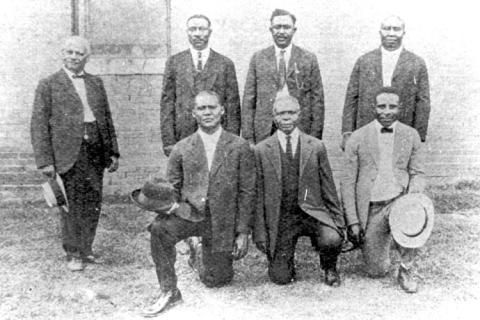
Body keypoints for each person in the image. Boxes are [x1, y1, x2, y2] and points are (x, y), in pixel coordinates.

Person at [142, 90, 255, 317]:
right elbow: (171, 189)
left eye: (212, 107)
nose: (207, 112)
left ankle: (199, 251)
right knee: (159, 229)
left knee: (216, 279)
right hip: (190, 216)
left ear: (222, 110)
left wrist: (242, 232)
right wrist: (171, 209)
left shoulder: (240, 146)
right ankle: (169, 290)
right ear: (194, 113)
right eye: (201, 108)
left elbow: (247, 191)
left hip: (222, 222)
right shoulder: (181, 147)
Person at [30, 36, 120, 271]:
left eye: (79, 53)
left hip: (95, 150)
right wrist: (45, 161)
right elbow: (38, 125)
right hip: (67, 153)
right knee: (70, 203)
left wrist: (112, 151)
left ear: (86, 58)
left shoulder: (95, 82)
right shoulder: (48, 84)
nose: (73, 57)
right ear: (62, 54)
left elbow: (106, 118)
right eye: (69, 52)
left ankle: (87, 249)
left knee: (93, 201)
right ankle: (73, 253)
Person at [253, 93, 344, 287]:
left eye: (291, 113)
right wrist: (260, 233)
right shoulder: (261, 150)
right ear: (273, 116)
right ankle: (286, 261)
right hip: (283, 217)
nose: (286, 118)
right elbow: (258, 196)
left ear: (299, 115)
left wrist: (338, 223)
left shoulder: (316, 146)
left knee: (331, 238)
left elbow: (329, 189)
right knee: (280, 278)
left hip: (312, 213)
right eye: (281, 113)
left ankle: (329, 266)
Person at [342, 87, 426, 293]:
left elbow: (418, 173)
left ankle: (406, 269)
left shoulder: (411, 135)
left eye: (392, 106)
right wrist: (353, 222)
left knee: (412, 215)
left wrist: (413, 196)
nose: (386, 112)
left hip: (399, 201)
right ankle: (382, 237)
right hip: (371, 208)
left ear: (400, 108)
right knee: (376, 270)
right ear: (373, 108)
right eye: (381, 106)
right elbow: (347, 182)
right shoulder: (358, 137)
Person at [341, 15, 430, 151]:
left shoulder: (417, 63)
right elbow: (351, 99)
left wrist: (419, 136)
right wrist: (347, 132)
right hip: (367, 128)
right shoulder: (364, 61)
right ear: (380, 31)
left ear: (403, 33)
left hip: (403, 130)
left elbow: (422, 102)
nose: (391, 33)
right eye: (387, 29)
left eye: (396, 29)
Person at [160, 14, 241, 157]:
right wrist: (168, 142)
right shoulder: (174, 62)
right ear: (187, 32)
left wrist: (231, 142)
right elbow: (167, 105)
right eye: (193, 29)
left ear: (209, 32)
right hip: (183, 137)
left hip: (217, 135)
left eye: (202, 29)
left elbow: (232, 107)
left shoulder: (225, 64)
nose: (197, 34)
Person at [242, 8, 325, 145]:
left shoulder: (308, 58)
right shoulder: (258, 58)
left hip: (300, 128)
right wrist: (248, 138)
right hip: (265, 130)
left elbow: (317, 101)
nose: (281, 31)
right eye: (277, 27)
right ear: (271, 30)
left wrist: (315, 137)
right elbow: (249, 100)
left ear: (294, 30)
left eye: (286, 27)